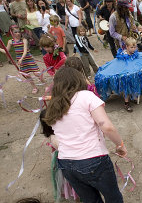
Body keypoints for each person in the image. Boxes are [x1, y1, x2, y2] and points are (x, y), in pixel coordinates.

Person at [43, 66, 126, 203]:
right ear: (78, 80)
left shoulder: (54, 105)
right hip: (93, 159)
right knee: (113, 197)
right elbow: (107, 127)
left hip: (66, 163)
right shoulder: (86, 96)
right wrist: (120, 145)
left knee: (90, 200)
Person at [39, 109, 79, 202]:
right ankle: (75, 195)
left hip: (64, 157)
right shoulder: (55, 138)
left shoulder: (56, 134)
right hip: (65, 161)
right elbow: (65, 151)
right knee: (70, 180)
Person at [0, 25, 42, 93]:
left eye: (19, 32)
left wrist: (21, 58)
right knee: (27, 75)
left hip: (28, 58)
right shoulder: (11, 41)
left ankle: (44, 83)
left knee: (36, 73)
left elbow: (25, 51)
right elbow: (6, 51)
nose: (18, 33)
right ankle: (34, 87)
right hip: (21, 61)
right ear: (12, 33)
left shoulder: (24, 40)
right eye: (15, 32)